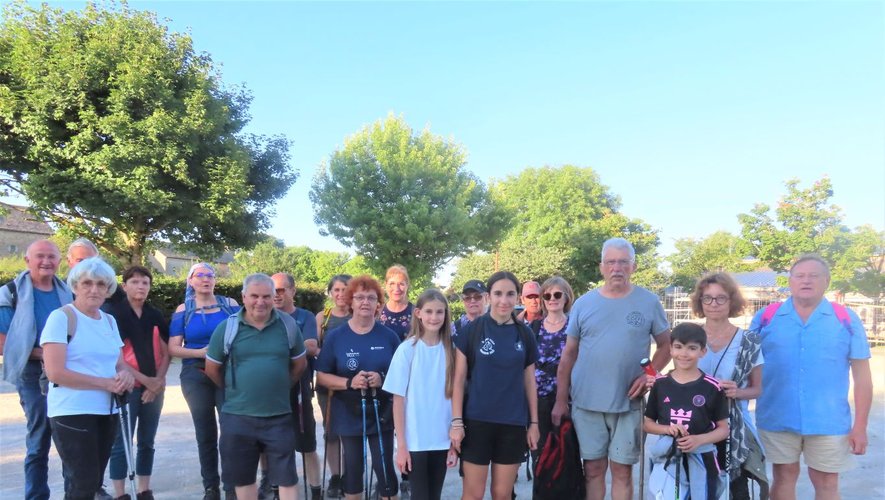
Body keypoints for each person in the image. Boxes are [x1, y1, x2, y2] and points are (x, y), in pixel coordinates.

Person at [552, 237, 671, 500]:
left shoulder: (649, 302)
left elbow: (666, 345)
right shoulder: (583, 304)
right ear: (602, 267)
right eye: (611, 262)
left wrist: (649, 375)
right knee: (593, 469)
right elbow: (569, 355)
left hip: (628, 403)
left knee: (622, 470)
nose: (617, 268)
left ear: (633, 266)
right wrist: (561, 401)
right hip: (587, 402)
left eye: (623, 262)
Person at [750, 254, 872, 500]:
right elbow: (746, 366)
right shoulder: (766, 318)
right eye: (800, 276)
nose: (807, 281)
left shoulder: (846, 319)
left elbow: (863, 378)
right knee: (783, 476)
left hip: (829, 420)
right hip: (777, 416)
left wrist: (860, 427)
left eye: (814, 276)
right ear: (790, 281)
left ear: (826, 281)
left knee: (826, 481)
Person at [40, 257, 136, 500]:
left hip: (106, 411)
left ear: (108, 289)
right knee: (81, 483)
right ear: (75, 286)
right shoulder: (61, 318)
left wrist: (125, 376)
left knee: (92, 482)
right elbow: (55, 372)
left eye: (101, 284)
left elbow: (118, 363)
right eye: (87, 283)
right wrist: (105, 383)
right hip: (72, 411)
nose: (94, 289)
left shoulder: (109, 321)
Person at [205, 273, 308, 500]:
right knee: (243, 480)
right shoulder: (226, 328)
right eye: (254, 296)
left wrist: (280, 386)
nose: (260, 302)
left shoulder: (288, 325)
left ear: (273, 297)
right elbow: (212, 369)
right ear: (243, 296)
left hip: (279, 415)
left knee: (287, 478)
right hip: (237, 416)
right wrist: (236, 389)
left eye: (266, 296)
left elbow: (299, 365)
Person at [450, 271, 540, 500]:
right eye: (498, 293)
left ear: (517, 297)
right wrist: (457, 422)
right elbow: (458, 380)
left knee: (502, 494)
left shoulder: (525, 334)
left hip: (512, 424)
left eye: (510, 294)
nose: (504, 300)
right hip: (477, 422)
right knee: (473, 494)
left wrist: (534, 423)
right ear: (489, 296)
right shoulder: (472, 330)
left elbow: (530, 381)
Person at [315, 276, 401, 500]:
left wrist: (382, 379)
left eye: (371, 298)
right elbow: (321, 376)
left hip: (381, 414)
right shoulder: (335, 337)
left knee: (385, 471)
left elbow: (402, 376)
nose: (365, 302)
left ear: (378, 304)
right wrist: (348, 383)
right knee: (353, 470)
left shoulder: (389, 337)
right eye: (360, 297)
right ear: (350, 302)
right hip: (348, 413)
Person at [0, 240, 73, 500]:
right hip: (31, 373)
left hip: (66, 370)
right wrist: (48, 353)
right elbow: (5, 342)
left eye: (52, 257)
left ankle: (74, 494)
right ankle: (36, 495)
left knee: (69, 433)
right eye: (40, 256)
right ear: (27, 260)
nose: (46, 261)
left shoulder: (68, 293)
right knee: (40, 434)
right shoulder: (10, 293)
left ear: (59, 261)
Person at [691, 272, 767, 498]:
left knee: (735, 489)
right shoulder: (689, 336)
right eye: (708, 298)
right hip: (694, 424)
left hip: (734, 428)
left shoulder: (748, 341)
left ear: (731, 301)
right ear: (700, 302)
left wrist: (737, 391)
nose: (714, 304)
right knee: (697, 487)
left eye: (720, 298)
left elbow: (757, 389)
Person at [168, 263, 239, 500]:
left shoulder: (229, 305)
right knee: (205, 431)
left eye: (210, 275)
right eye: (200, 275)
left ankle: (231, 486)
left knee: (230, 430)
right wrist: (203, 353)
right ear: (190, 281)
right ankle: (211, 487)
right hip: (195, 374)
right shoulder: (183, 309)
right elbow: (174, 348)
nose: (205, 279)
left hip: (227, 372)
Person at [383, 289, 458, 500]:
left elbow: (455, 396)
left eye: (439, 312)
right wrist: (402, 447)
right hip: (416, 441)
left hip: (442, 439)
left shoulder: (451, 350)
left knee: (434, 495)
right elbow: (398, 401)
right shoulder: (407, 349)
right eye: (429, 311)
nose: (434, 317)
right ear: (418, 313)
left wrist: (453, 443)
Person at [104, 266, 170, 500]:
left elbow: (166, 351)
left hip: (155, 388)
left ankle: (144, 489)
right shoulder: (113, 315)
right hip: (128, 387)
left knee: (147, 441)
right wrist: (147, 382)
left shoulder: (155, 315)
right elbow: (115, 356)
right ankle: (121, 493)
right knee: (121, 443)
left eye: (145, 283)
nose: (141, 286)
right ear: (124, 286)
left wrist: (158, 381)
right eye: (135, 282)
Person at [643, 323, 729, 500]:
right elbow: (647, 423)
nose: (684, 354)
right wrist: (667, 429)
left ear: (702, 352)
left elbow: (723, 429)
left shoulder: (713, 387)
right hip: (668, 458)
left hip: (703, 458)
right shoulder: (660, 385)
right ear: (671, 349)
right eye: (678, 347)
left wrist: (699, 440)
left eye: (692, 348)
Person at [269, 272, 322, 500]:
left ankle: (316, 491)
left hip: (299, 388)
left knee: (307, 443)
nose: (277, 294)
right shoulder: (264, 315)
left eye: (281, 289)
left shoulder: (305, 316)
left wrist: (276, 347)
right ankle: (274, 486)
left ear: (293, 291)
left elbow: (311, 347)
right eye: (273, 290)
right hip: (269, 390)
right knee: (273, 443)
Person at [314, 274, 351, 498]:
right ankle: (336, 476)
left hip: (351, 383)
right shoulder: (323, 317)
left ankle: (350, 474)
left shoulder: (358, 315)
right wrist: (327, 356)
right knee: (331, 431)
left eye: (345, 290)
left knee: (350, 431)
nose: (340, 294)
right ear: (330, 293)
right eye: (336, 290)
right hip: (327, 382)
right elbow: (312, 346)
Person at [531, 276, 575, 463]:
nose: (552, 299)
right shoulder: (533, 327)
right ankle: (540, 493)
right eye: (547, 296)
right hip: (538, 399)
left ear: (566, 298)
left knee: (567, 455)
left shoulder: (575, 326)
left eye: (557, 294)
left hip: (569, 398)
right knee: (540, 456)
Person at [379, 264, 414, 342]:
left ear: (407, 285)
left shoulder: (417, 313)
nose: (396, 288)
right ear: (386, 285)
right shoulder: (377, 312)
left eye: (401, 284)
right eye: (392, 284)